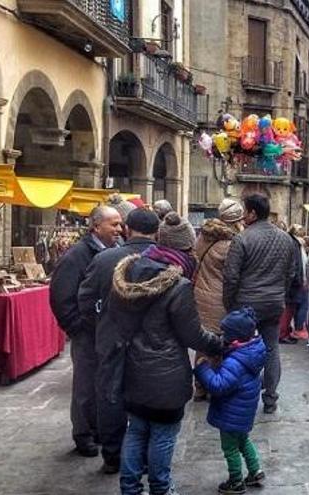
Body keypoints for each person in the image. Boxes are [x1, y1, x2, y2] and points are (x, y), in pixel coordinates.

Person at [109, 212, 225, 495]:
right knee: (162, 434)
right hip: (166, 373)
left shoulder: (127, 274)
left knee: (136, 430)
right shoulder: (179, 285)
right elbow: (192, 335)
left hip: (132, 367)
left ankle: (130, 488)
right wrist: (219, 343)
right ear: (184, 248)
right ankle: (161, 488)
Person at [77, 208, 160, 474]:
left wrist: (101, 323)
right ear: (156, 231)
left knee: (110, 395)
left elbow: (86, 300)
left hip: (111, 337)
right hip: (152, 340)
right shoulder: (164, 260)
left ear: (128, 229)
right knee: (148, 395)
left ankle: (113, 456)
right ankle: (145, 456)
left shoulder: (104, 260)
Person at [50, 205, 122, 458]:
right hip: (87, 332)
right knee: (85, 385)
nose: (119, 229)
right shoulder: (76, 256)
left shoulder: (113, 251)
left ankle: (99, 428)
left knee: (103, 384)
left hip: (106, 331)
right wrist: (77, 327)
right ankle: (83, 434)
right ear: (96, 226)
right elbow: (61, 296)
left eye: (120, 224)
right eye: (113, 224)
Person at [223, 194, 295, 414]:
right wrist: (280, 294)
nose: (243, 216)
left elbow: (231, 277)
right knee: (272, 349)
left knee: (236, 348)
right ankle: (270, 398)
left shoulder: (242, 239)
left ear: (252, 213)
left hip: (245, 303)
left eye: (245, 211)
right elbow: (291, 274)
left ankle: (237, 394)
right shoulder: (286, 239)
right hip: (273, 303)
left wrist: (229, 303)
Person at [194, 308, 268, 495]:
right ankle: (255, 470)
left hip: (231, 413)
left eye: (225, 334)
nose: (223, 337)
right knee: (243, 440)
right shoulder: (253, 350)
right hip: (244, 410)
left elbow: (218, 385)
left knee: (230, 448)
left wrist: (203, 369)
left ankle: (235, 481)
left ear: (235, 339)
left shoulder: (235, 362)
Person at [193, 198, 243, 401]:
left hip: (199, 294)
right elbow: (233, 275)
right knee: (219, 343)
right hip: (219, 297)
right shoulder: (231, 243)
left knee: (202, 343)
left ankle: (199, 386)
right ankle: (213, 385)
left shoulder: (203, 236)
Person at [278, 225, 308, 344]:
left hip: (290, 281)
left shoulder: (288, 241)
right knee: (289, 309)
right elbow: (297, 265)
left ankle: (284, 331)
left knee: (288, 308)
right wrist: (297, 280)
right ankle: (283, 334)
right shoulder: (295, 244)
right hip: (293, 283)